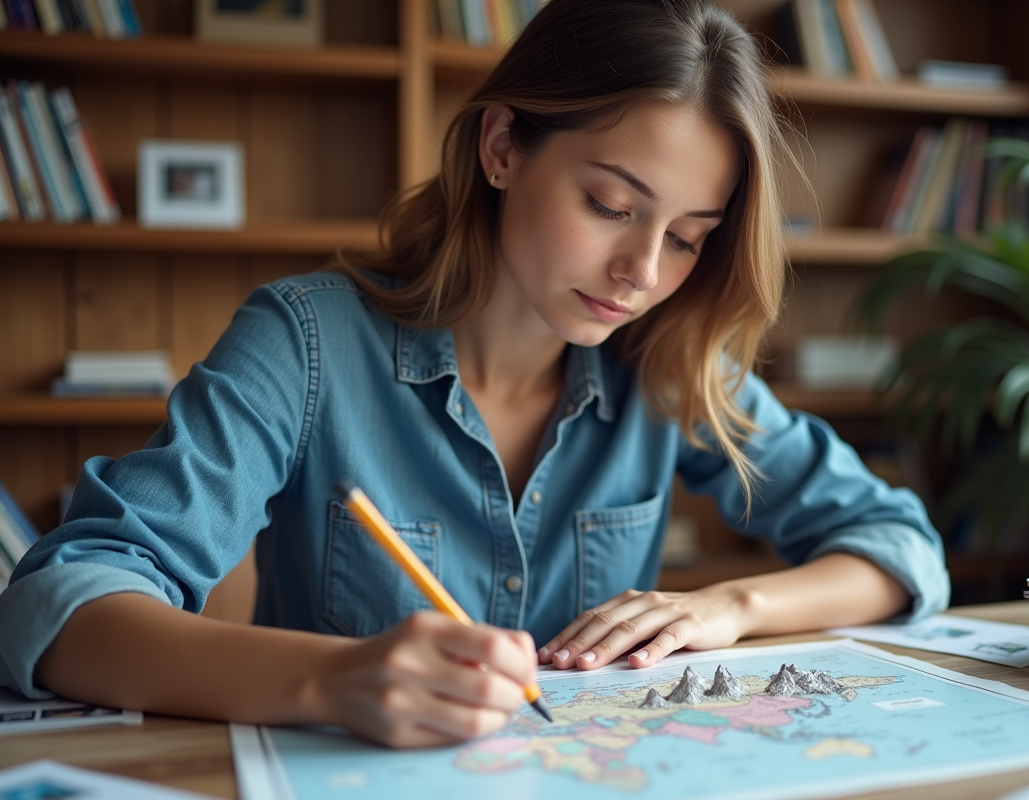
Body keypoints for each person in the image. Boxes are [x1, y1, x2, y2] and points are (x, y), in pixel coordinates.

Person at [0, 0, 948, 749]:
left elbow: (899, 546)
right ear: (501, 147)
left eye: (689, 239)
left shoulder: (672, 362)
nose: (644, 273)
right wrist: (330, 680)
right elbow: (59, 603)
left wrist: (729, 607)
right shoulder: (305, 342)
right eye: (610, 204)